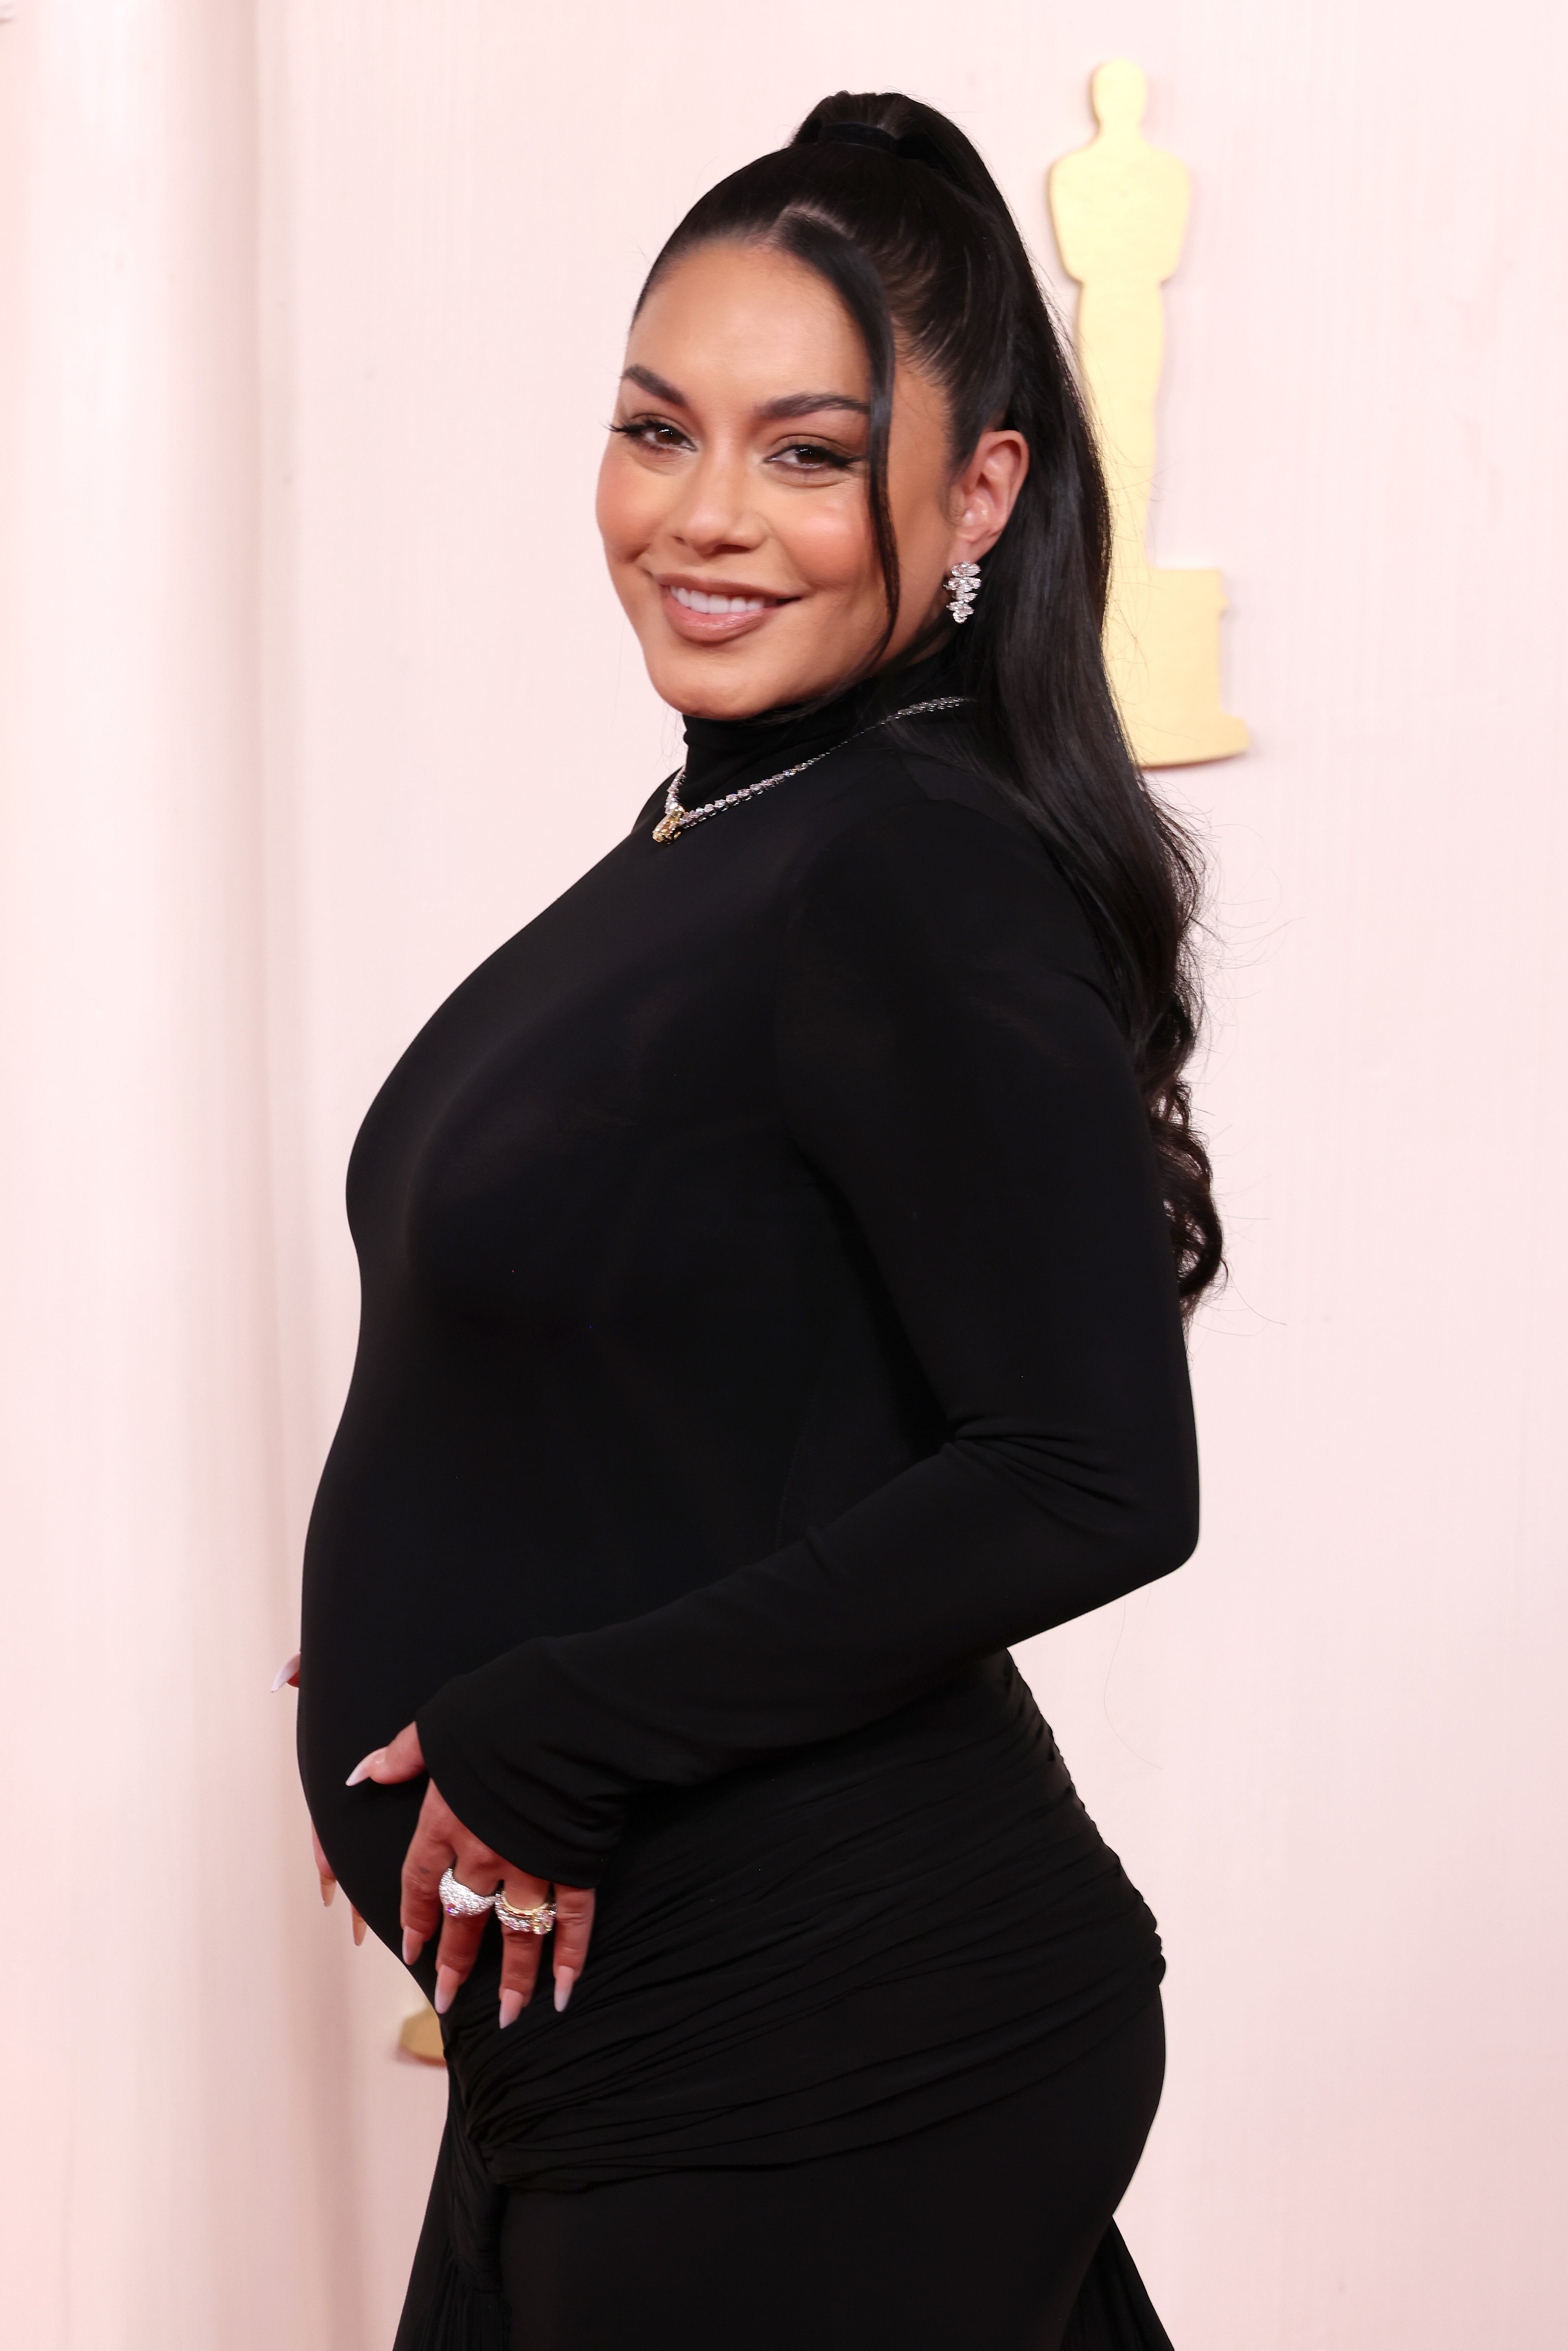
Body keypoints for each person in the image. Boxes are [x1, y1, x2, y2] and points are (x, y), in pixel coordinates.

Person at [292, 88, 1222, 2351]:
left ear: (976, 487)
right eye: (653, 430)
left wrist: (550, 1720)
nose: (704, 521)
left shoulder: (901, 861)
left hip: (822, 2027)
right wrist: (428, 1657)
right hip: (636, 2035)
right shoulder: (721, 835)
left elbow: (1095, 1472)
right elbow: (683, 1385)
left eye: (808, 454)